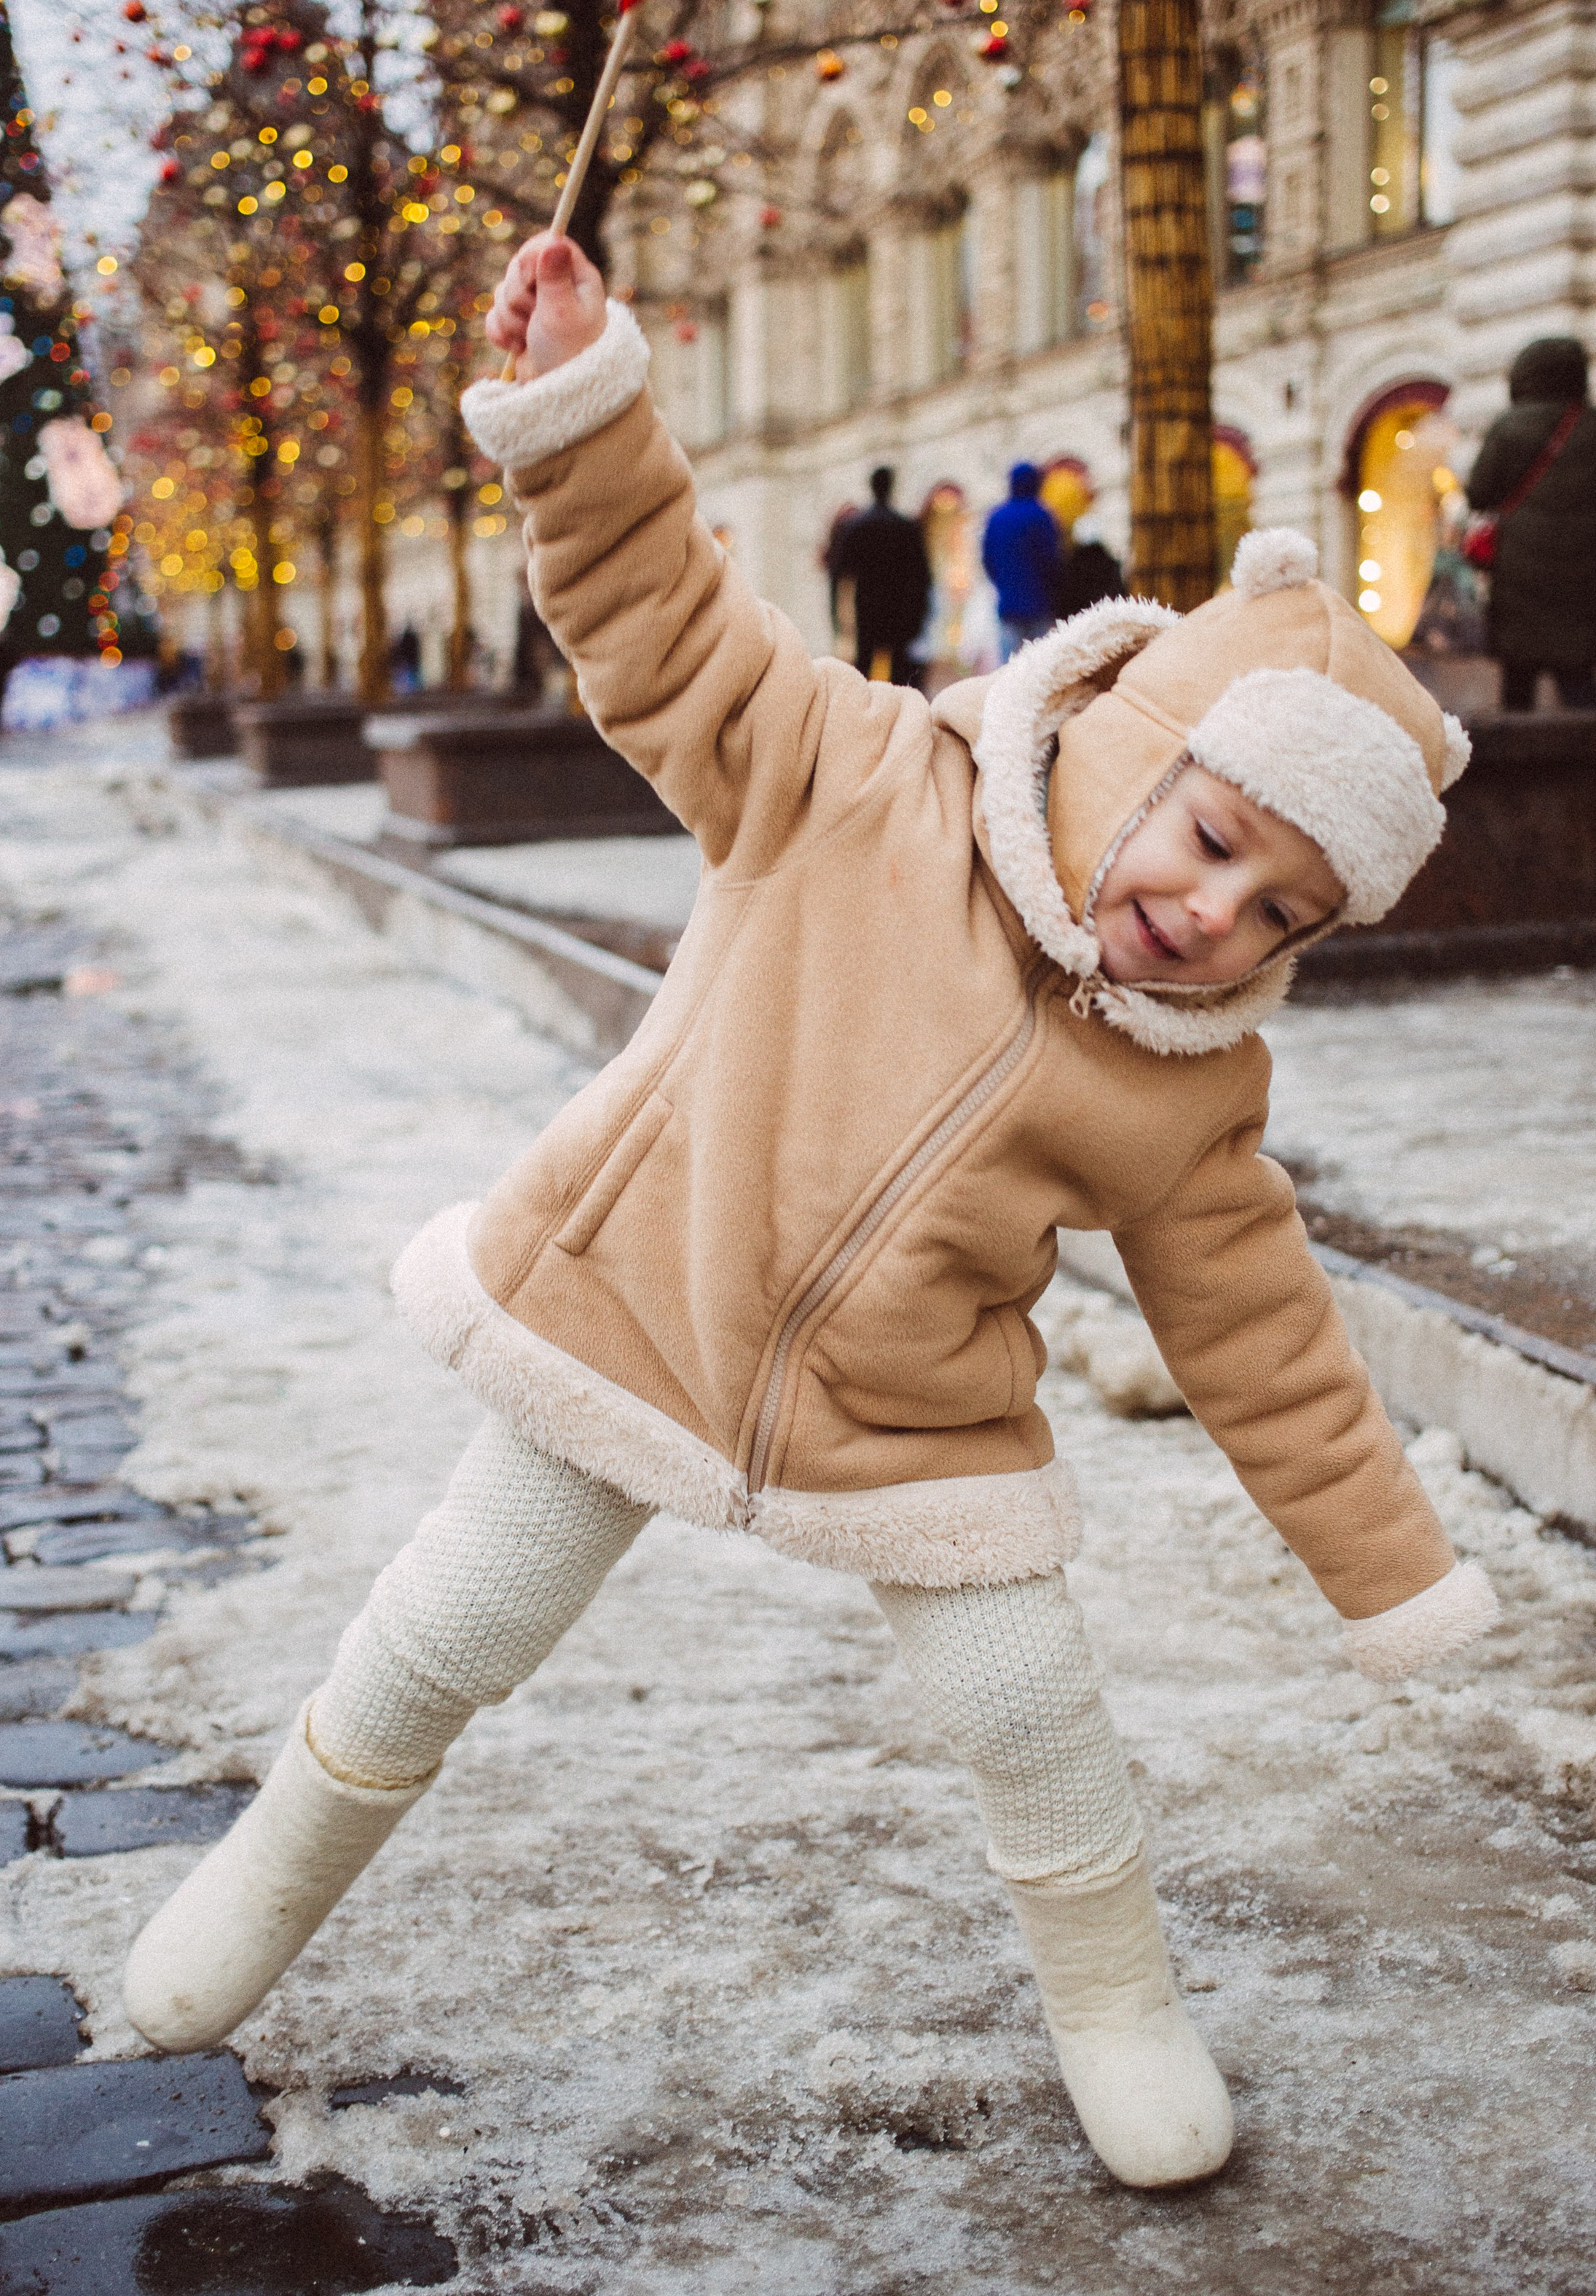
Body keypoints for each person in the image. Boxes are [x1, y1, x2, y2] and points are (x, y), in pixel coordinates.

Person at [127, 234, 1497, 2195]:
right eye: (1210, 839)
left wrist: (1390, 1574)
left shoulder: (1185, 1081)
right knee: (451, 1622)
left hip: (913, 1417)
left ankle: (1117, 2005)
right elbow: (664, 623)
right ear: (1122, 739)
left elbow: (1266, 1338)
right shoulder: (853, 778)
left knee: (1034, 1708)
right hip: (633, 1305)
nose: (1216, 917)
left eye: (1283, 913)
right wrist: (584, 412)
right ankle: (268, 1878)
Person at [1463, 334, 1596, 711]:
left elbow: (1479, 494)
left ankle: (1516, 763)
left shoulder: (1509, 426)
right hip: (1583, 574)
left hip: (1520, 575)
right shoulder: (1591, 425)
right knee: (1578, 677)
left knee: (1518, 682)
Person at [825, 467, 932, 685]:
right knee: (901, 678)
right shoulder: (906, 528)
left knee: (863, 673)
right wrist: (919, 617)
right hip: (899, 612)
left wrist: (839, 622)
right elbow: (923, 577)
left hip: (868, 611)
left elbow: (838, 576)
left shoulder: (855, 527)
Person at [982, 461, 1061, 659]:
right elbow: (1051, 561)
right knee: (1040, 666)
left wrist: (1004, 584)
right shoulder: (1042, 516)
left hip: (1008, 605)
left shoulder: (996, 517)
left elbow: (988, 560)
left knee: (1009, 668)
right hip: (1040, 604)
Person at [1051, 522, 1125, 624]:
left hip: (1077, 622)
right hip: (1107, 619)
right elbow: (1118, 592)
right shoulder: (1110, 564)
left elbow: (1067, 596)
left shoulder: (1073, 565)